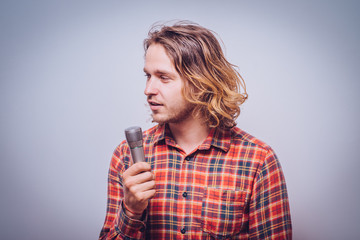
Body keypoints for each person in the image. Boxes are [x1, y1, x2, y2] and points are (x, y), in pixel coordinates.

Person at [99, 21, 292, 239]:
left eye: (163, 77)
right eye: (148, 76)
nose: (148, 90)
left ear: (201, 83)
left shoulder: (257, 159)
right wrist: (131, 211)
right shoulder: (126, 156)